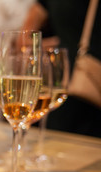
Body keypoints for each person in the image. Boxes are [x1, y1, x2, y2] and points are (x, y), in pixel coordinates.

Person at [21, 0, 101, 138]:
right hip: (62, 85)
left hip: (75, 86)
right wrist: (55, 46)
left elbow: (25, 41)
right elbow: (24, 41)